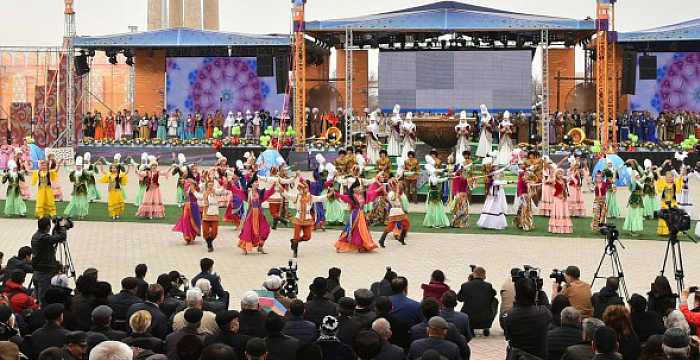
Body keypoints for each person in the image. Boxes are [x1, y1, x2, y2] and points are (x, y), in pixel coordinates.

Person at [502, 277, 552, 360]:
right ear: (534, 294)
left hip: (517, 356)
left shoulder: (508, 316)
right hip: (539, 356)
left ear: (516, 294)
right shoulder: (544, 313)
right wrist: (540, 291)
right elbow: (547, 307)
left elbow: (508, 336)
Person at [31, 217, 68, 305]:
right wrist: (62, 226)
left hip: (38, 270)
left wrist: (56, 228)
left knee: (38, 294)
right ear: (48, 227)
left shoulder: (37, 235)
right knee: (43, 298)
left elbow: (52, 239)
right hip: (44, 272)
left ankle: (38, 308)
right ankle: (42, 312)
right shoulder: (44, 238)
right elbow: (62, 237)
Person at [457, 266, 497, 336]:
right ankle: (486, 326)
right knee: (495, 301)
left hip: (470, 319)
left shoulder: (465, 286)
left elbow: (459, 299)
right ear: (484, 275)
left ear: (473, 274)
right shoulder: (488, 286)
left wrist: (469, 282)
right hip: (485, 319)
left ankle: (470, 328)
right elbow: (493, 294)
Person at [172, 177, 202, 244]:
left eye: (190, 181)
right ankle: (187, 237)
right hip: (187, 206)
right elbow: (185, 196)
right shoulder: (186, 188)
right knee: (186, 220)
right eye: (188, 181)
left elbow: (199, 195)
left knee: (195, 221)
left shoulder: (197, 188)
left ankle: (192, 235)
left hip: (194, 206)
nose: (188, 182)